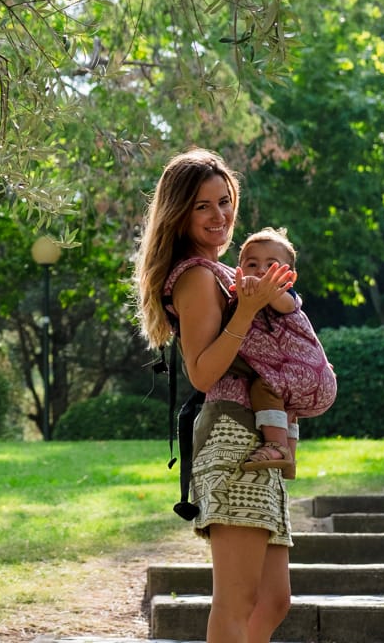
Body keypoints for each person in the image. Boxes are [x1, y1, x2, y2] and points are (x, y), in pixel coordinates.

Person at [135, 148, 296, 643]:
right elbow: (203, 373)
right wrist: (246, 312)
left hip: (257, 441)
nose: (219, 215)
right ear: (179, 212)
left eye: (224, 201)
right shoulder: (198, 277)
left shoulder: (225, 273)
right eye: (203, 205)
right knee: (237, 600)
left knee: (272, 600)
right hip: (232, 441)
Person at [230, 228, 337, 478]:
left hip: (308, 376)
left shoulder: (287, 297)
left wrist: (264, 289)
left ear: (290, 277)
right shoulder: (241, 299)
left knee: (263, 388)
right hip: (297, 380)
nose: (261, 271)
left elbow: (284, 304)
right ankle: (290, 458)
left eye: (271, 265)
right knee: (286, 407)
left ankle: (277, 447)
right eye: (252, 264)